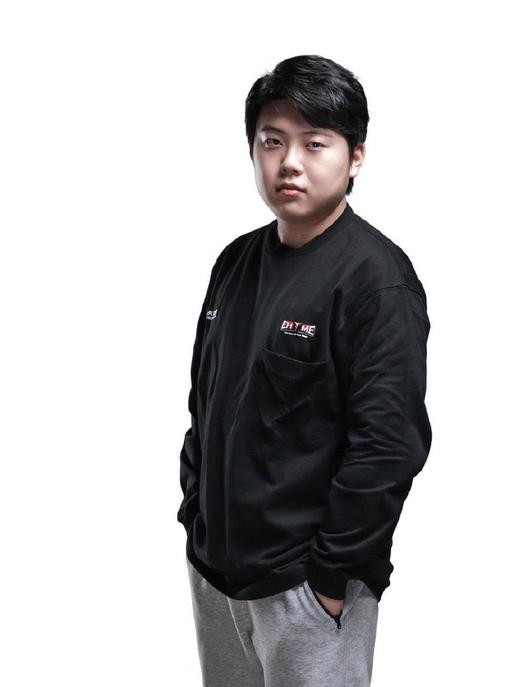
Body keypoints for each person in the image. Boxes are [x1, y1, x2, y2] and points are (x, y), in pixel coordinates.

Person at [177, 54, 432, 687]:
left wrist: (331, 578)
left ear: (355, 156)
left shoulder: (376, 281)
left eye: (314, 143)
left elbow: (388, 445)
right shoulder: (235, 263)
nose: (289, 162)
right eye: (272, 141)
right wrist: (195, 517)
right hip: (217, 574)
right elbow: (206, 401)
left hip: (307, 587)